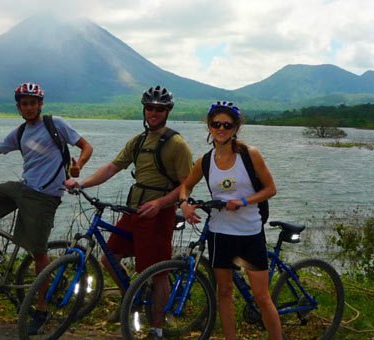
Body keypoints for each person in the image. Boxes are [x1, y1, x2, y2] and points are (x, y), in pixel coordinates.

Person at [0, 82, 93, 333]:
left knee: (38, 253)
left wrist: (79, 167)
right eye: (25, 103)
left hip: (45, 197)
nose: (29, 107)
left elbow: (86, 147)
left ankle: (42, 310)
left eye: (33, 103)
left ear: (40, 105)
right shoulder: (21, 132)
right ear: (19, 107)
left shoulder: (56, 125)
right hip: (23, 189)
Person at [65, 85, 193, 339]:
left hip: (158, 214)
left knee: (156, 272)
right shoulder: (138, 141)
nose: (153, 113)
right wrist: (81, 182)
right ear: (144, 110)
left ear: (167, 111)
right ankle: (131, 299)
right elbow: (113, 167)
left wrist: (159, 203)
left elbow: (186, 185)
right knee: (109, 258)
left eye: (159, 109)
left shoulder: (177, 144)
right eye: (149, 108)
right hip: (134, 210)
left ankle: (157, 327)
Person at [178, 101, 282, 340]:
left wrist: (244, 202)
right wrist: (184, 202)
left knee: (262, 297)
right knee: (223, 292)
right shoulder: (205, 160)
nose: (221, 129)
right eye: (216, 124)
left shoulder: (249, 155)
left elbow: (270, 189)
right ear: (209, 126)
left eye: (227, 124)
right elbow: (186, 185)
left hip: (249, 233)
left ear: (236, 128)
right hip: (219, 232)